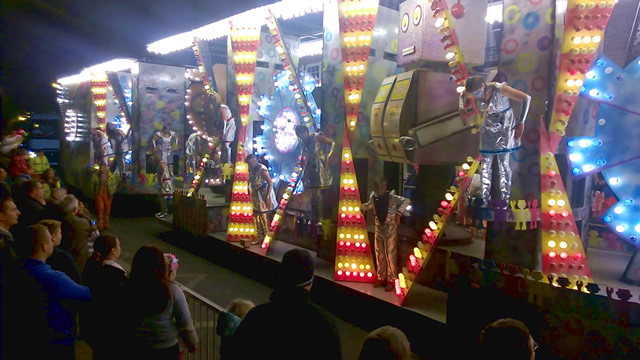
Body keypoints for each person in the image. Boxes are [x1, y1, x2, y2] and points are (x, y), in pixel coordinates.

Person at [230, 248, 342, 360]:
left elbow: (235, 353)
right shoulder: (326, 323)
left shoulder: (257, 316)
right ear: (311, 283)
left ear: (280, 277)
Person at [3, 224, 91, 359]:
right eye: (50, 240)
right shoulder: (55, 279)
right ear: (44, 246)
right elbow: (85, 293)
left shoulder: (11, 270)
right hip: (53, 342)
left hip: (19, 339)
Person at [462, 76, 531, 203]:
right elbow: (463, 94)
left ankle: (505, 199)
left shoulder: (500, 89)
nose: (476, 96)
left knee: (503, 164)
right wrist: (462, 110)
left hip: (504, 125)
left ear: (483, 86)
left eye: (477, 93)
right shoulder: (471, 91)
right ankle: (485, 199)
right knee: (486, 164)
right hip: (488, 125)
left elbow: (526, 98)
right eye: (473, 94)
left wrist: (521, 122)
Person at [123, 245, 197, 360]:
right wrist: (192, 343)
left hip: (135, 346)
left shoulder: (126, 288)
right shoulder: (173, 290)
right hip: (166, 348)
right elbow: (185, 323)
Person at [361, 178, 411, 291]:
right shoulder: (374, 197)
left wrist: (398, 213)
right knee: (379, 253)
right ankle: (381, 277)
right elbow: (369, 205)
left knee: (390, 254)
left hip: (390, 227)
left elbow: (407, 200)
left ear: (384, 186)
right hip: (379, 227)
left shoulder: (392, 197)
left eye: (380, 186)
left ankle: (391, 279)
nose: (378, 189)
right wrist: (361, 207)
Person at [82, 234, 126, 360]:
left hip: (92, 324)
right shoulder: (115, 275)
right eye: (118, 245)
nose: (119, 248)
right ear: (113, 251)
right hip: (109, 329)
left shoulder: (90, 266)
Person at [295, 125, 335, 224]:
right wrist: (302, 164)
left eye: (302, 133)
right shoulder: (302, 141)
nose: (301, 136)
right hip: (309, 167)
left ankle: (320, 217)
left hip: (319, 166)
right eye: (299, 135)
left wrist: (328, 157)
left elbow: (333, 143)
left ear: (306, 131)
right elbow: (303, 152)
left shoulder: (317, 137)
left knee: (318, 193)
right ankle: (313, 216)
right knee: (311, 193)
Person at [246, 154, 277, 245]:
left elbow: (270, 182)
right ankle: (259, 237)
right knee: (256, 216)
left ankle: (267, 238)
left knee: (264, 217)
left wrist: (267, 196)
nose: (252, 163)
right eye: (250, 161)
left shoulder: (261, 169)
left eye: (253, 160)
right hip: (255, 194)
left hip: (263, 194)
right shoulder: (252, 169)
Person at [41, 219, 81, 284]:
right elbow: (75, 280)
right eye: (60, 233)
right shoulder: (63, 257)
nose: (61, 235)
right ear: (53, 237)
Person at [60, 194, 91, 272]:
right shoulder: (80, 223)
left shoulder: (61, 216)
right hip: (78, 255)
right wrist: (83, 213)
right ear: (75, 209)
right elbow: (93, 224)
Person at [91, 164, 118, 229]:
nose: (101, 169)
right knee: (100, 208)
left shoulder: (110, 176)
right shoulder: (96, 175)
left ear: (106, 168)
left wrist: (112, 192)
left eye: (103, 167)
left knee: (107, 209)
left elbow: (114, 185)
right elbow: (93, 184)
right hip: (99, 193)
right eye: (101, 168)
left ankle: (105, 224)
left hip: (107, 193)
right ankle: (100, 224)